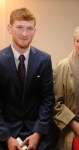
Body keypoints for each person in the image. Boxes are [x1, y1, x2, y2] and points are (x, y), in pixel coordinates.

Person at [0, 7, 55, 150]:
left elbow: (47, 100)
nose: (25, 33)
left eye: (29, 28)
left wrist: (37, 133)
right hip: (6, 133)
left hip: (37, 132)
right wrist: (7, 137)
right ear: (10, 28)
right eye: (19, 27)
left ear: (34, 31)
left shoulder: (44, 59)